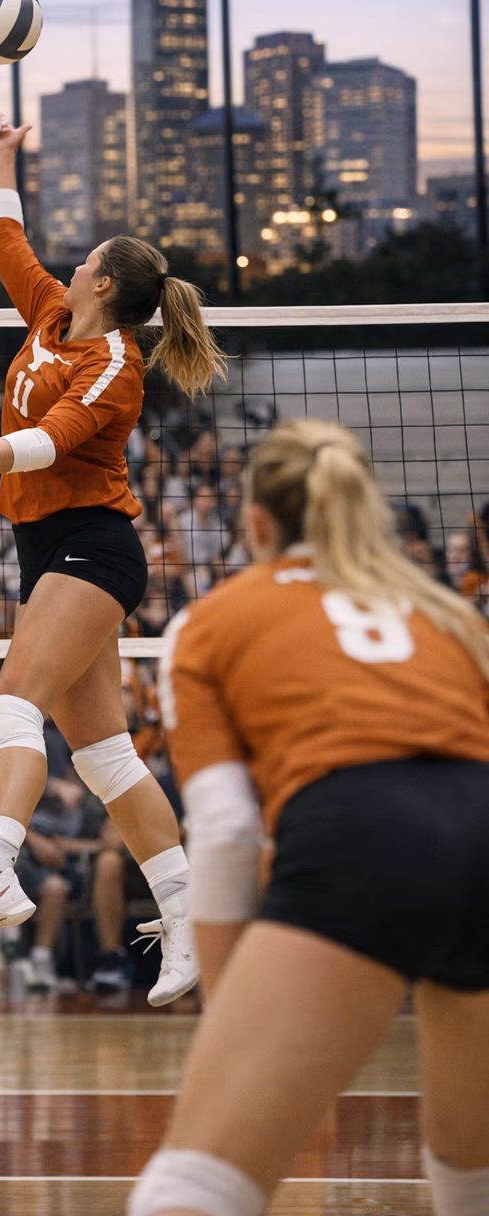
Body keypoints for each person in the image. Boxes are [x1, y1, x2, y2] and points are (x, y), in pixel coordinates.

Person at [0, 118, 225, 1006]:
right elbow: (6, 236)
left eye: (84, 263)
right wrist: (1, 157)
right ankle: (190, 917)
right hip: (50, 550)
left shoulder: (115, 360)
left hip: (94, 546)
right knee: (105, 754)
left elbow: (47, 444)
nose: (69, 266)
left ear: (104, 283)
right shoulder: (49, 311)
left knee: (10, 704)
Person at [129, 419, 489, 1216]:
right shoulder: (446, 613)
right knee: (472, 1171)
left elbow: (225, 830)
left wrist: (230, 1013)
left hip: (364, 838)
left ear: (255, 522)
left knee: (190, 1187)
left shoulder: (213, 620)